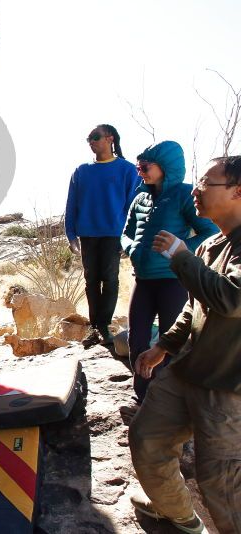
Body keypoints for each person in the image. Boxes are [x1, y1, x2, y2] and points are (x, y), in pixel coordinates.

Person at [129, 156, 241, 534]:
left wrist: (180, 257)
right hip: (188, 371)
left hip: (227, 386)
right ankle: (176, 513)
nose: (196, 189)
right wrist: (163, 346)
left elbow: (232, 300)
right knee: (147, 440)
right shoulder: (210, 244)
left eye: (207, 183)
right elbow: (195, 307)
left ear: (238, 191)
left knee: (220, 481)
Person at [120, 141, 217, 414]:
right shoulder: (140, 198)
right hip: (142, 280)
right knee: (137, 339)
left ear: (166, 166)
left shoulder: (184, 194)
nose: (140, 172)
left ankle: (169, 403)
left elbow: (209, 231)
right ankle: (144, 399)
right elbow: (125, 232)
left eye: (145, 167)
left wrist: (180, 249)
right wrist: (131, 248)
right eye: (138, 167)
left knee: (169, 341)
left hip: (172, 281)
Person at [65, 124, 140, 347]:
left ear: (110, 139)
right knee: (91, 280)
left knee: (110, 279)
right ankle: (95, 326)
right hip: (87, 234)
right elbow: (71, 205)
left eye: (95, 137)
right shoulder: (81, 171)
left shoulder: (127, 170)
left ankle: (103, 325)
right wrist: (71, 235)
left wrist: (129, 237)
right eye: (88, 138)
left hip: (114, 234)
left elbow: (134, 206)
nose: (91, 142)